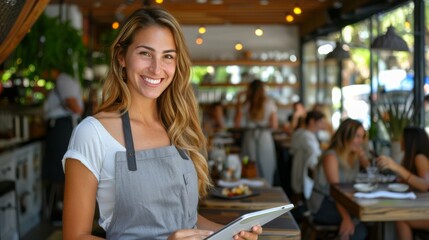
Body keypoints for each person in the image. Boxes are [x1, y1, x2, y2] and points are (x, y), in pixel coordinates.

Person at [62, 7, 262, 240]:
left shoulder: (178, 127)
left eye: (168, 56)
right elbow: (74, 236)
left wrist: (230, 233)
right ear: (121, 56)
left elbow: (187, 219)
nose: (156, 68)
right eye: (145, 53)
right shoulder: (92, 133)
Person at [307, 118, 370, 240]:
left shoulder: (354, 155)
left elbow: (371, 172)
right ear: (345, 136)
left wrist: (362, 156)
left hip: (343, 202)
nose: (360, 141)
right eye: (357, 136)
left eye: (362, 137)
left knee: (362, 221)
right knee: (359, 227)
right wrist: (346, 218)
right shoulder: (331, 156)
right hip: (324, 204)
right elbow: (335, 192)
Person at [42, 68, 83, 222]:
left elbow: (75, 107)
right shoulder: (65, 80)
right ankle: (64, 212)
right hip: (63, 127)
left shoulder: (63, 79)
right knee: (61, 170)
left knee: (61, 171)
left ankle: (63, 213)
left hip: (61, 128)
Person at [376, 126, 429, 240]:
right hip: (423, 207)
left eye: (402, 138)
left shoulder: (420, 157)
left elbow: (425, 185)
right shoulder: (409, 157)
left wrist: (396, 167)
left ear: (410, 140)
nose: (400, 141)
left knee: (401, 217)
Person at [234, 79, 278, 185]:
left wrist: (239, 100)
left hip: (249, 136)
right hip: (265, 136)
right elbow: (274, 125)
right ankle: (267, 191)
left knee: (249, 166)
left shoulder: (246, 104)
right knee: (267, 165)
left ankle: (251, 189)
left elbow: (237, 124)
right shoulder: (269, 103)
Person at [289, 110, 326, 200]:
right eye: (320, 122)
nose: (322, 125)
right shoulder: (306, 136)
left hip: (299, 171)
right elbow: (315, 154)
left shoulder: (302, 133)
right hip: (302, 174)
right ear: (312, 121)